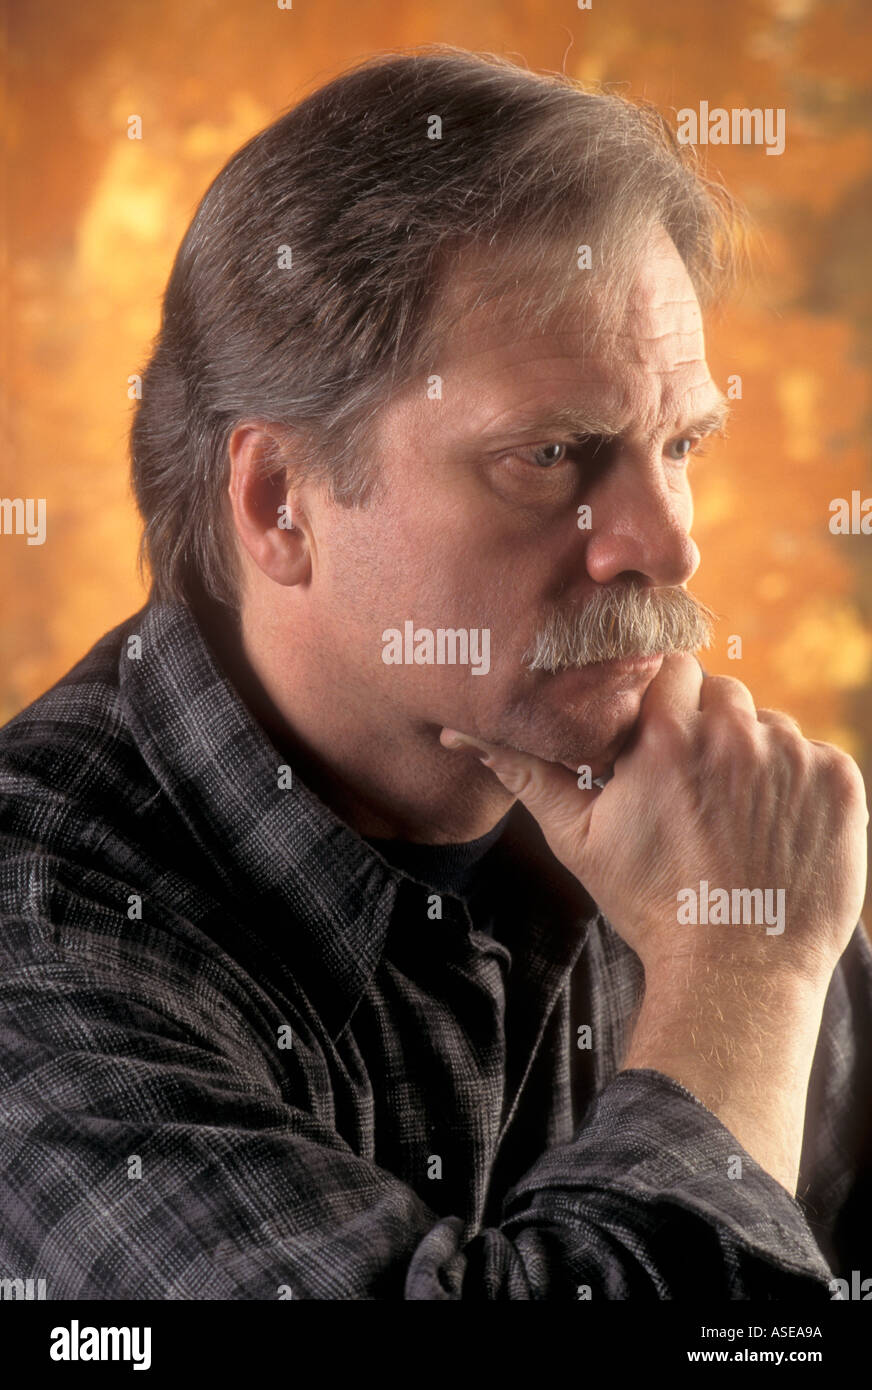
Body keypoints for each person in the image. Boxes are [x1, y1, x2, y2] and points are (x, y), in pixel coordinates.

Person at [0, 46, 868, 1301]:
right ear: (277, 502)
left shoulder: (715, 834)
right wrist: (735, 981)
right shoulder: (39, 950)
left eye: (678, 443)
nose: (667, 541)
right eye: (553, 455)